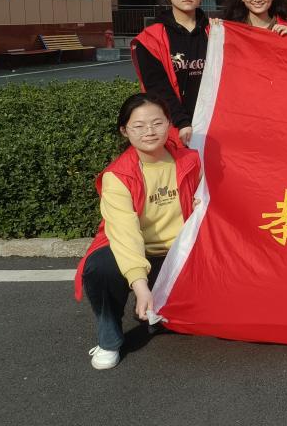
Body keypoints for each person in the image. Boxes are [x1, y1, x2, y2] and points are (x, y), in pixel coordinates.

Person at [74, 93, 203, 370]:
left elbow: (210, 200)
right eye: (139, 126)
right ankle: (109, 339)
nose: (150, 132)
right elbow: (126, 235)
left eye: (157, 123)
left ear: (169, 123)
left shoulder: (191, 160)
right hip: (135, 251)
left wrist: (202, 203)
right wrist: (140, 285)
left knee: (171, 324)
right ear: (125, 130)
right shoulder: (118, 176)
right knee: (101, 268)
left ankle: (160, 311)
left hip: (179, 254)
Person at [131, 0, 210, 147]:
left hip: (214, 123)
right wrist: (182, 122)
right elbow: (157, 88)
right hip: (177, 128)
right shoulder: (150, 39)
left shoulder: (216, 32)